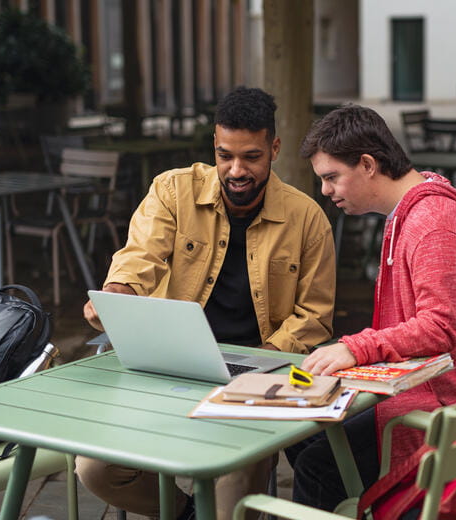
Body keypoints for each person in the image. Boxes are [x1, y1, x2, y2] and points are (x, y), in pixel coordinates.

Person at [77, 86, 336, 520]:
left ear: (274, 148)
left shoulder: (307, 218)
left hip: (258, 375)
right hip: (173, 367)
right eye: (224, 155)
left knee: (241, 464)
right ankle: (188, 514)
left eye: (251, 157)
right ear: (213, 147)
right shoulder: (173, 191)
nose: (236, 170)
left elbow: (314, 318)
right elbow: (140, 254)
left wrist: (263, 364)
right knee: (95, 469)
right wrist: (120, 291)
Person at [286, 104, 456, 513]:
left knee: (314, 464)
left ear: (369, 164)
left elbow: (438, 330)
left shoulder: (433, 226)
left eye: (331, 177)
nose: (325, 190)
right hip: (434, 388)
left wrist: (356, 348)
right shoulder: (413, 210)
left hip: (449, 406)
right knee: (307, 435)